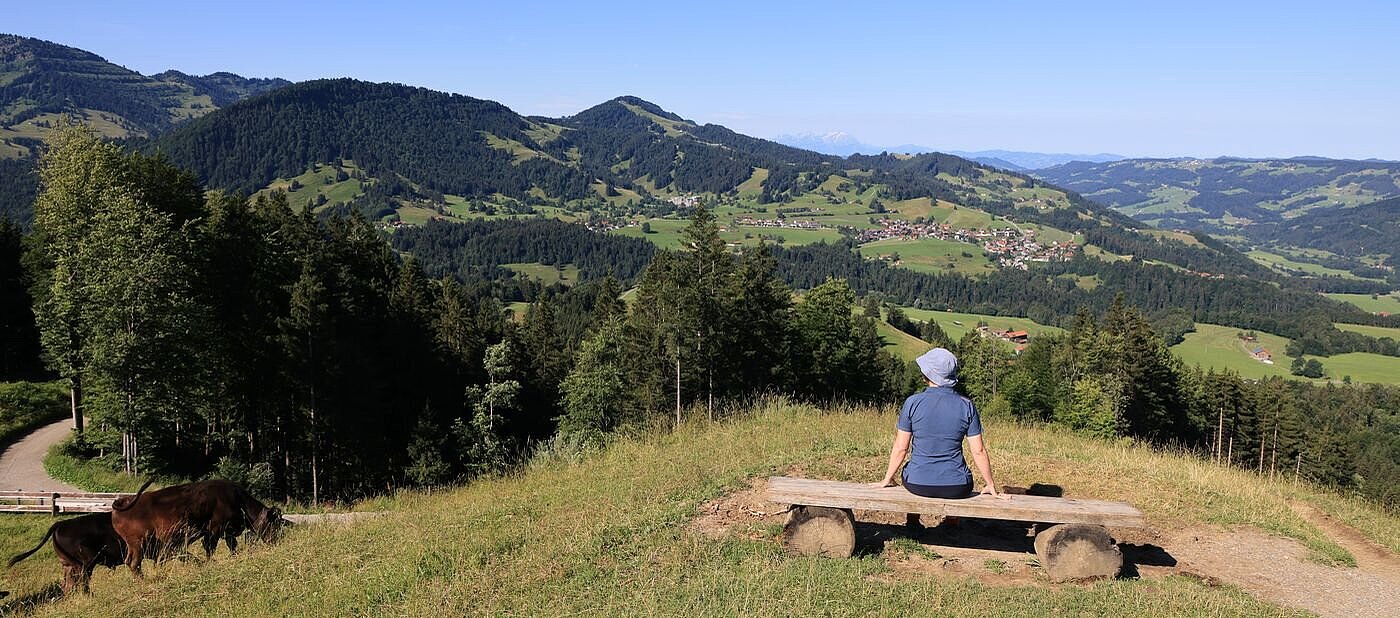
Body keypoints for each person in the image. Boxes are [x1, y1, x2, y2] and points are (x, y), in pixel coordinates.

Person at [871, 347, 1004, 528]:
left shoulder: (912, 402)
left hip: (917, 483)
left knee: (911, 467)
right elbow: (978, 451)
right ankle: (951, 523)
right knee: (959, 474)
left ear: (927, 374)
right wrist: (990, 485)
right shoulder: (967, 405)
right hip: (957, 486)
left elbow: (901, 448)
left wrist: (887, 478)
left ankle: (913, 521)